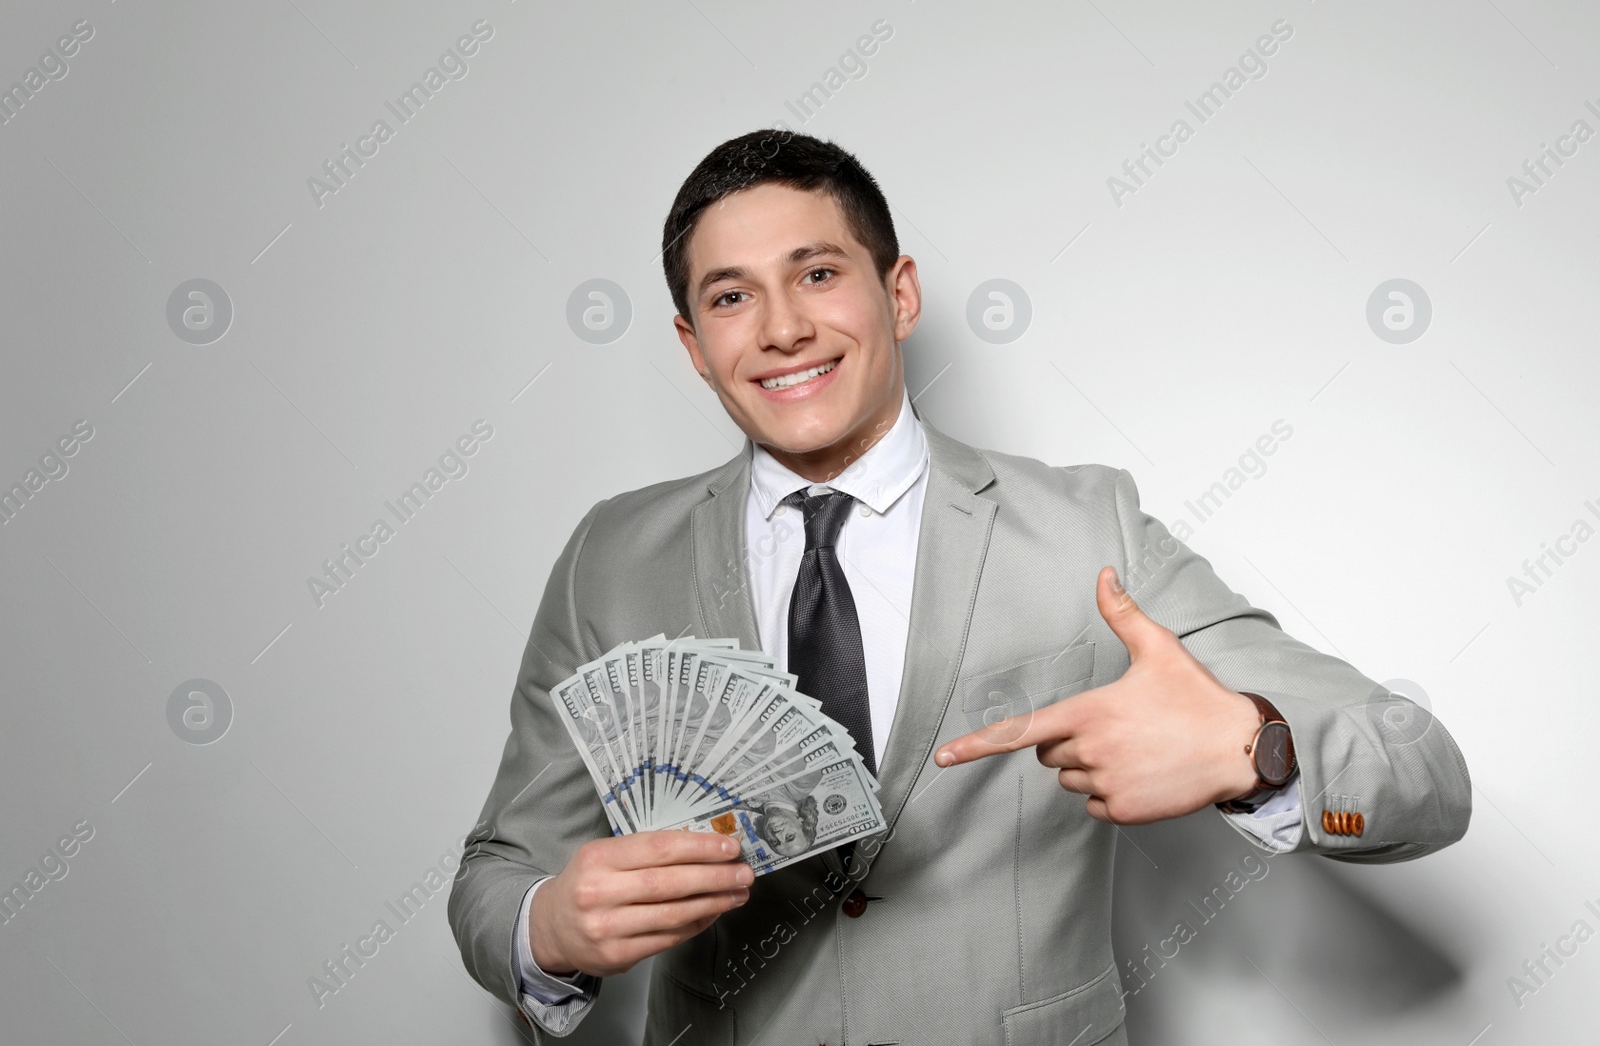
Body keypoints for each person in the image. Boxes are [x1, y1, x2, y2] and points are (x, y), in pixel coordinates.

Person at [447, 130, 1472, 1045]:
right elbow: (498, 866)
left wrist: (1257, 748)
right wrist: (548, 926)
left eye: (815, 273)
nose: (780, 328)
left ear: (899, 294)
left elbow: (1423, 773)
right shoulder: (612, 554)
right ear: (694, 346)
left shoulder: (1085, 528)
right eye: (730, 295)